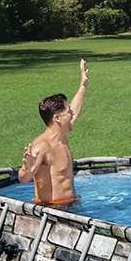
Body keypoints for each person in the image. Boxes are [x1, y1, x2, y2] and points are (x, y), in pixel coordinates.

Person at [19, 59, 88, 206]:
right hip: (53, 211)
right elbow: (24, 179)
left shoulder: (61, 135)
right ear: (57, 118)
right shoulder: (41, 146)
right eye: (68, 112)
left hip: (72, 205)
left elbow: (75, 109)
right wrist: (26, 168)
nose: (72, 114)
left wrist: (83, 85)